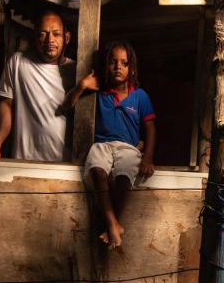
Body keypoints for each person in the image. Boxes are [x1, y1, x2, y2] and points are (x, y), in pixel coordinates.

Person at [62, 40, 156, 251]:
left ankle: (111, 224)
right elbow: (66, 106)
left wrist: (148, 157)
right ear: (106, 66)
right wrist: (81, 86)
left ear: (131, 68)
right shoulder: (98, 93)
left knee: (123, 177)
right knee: (97, 170)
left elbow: (150, 128)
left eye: (124, 62)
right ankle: (113, 224)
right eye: (113, 62)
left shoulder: (139, 96)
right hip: (102, 145)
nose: (118, 67)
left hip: (128, 148)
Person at [0, 11, 76, 167]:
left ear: (66, 38)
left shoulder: (75, 69)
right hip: (24, 160)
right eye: (43, 34)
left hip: (66, 163)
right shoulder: (18, 62)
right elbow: (5, 105)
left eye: (56, 34)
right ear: (35, 37)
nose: (50, 40)